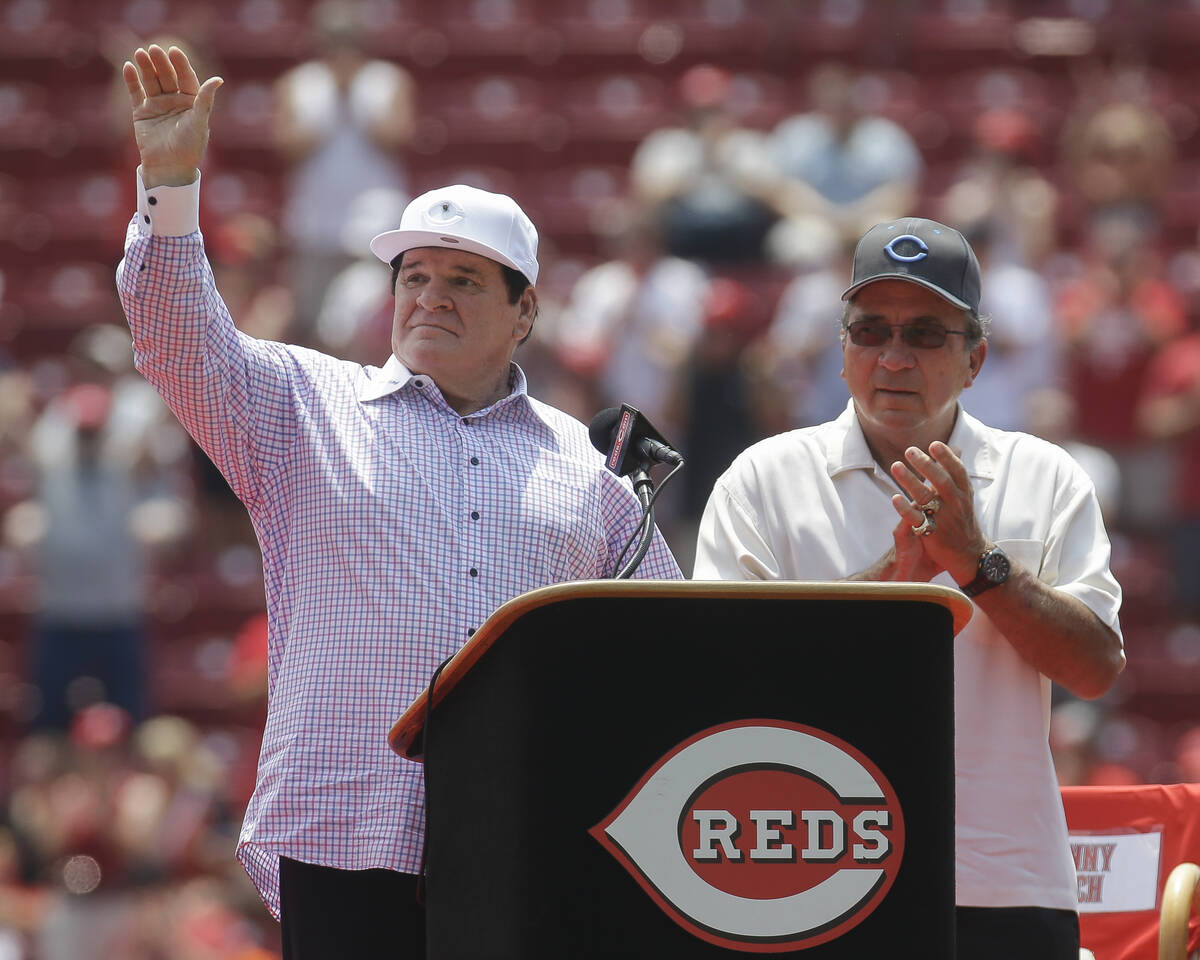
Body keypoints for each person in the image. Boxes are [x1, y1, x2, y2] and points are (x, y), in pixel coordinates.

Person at [117, 44, 682, 959]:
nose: (430, 297)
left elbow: (661, 645)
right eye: (414, 276)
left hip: (525, 832)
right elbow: (177, 341)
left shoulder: (587, 469)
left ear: (525, 311)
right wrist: (170, 184)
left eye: (463, 281)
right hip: (344, 823)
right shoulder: (305, 404)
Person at [694, 217, 1125, 959]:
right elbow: (721, 686)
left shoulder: (1044, 476)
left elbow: (1094, 667)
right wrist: (894, 583)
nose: (893, 356)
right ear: (842, 350)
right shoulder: (762, 480)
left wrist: (978, 564)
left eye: (926, 334)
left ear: (975, 359)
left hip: (999, 880)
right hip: (805, 869)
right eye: (870, 331)